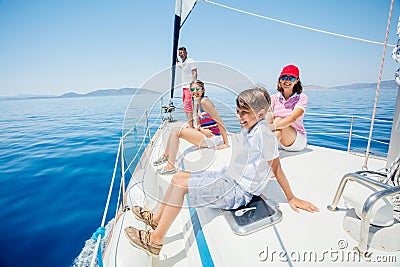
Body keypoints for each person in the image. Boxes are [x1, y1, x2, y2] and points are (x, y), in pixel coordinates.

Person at [124, 86, 319, 256]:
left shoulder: (264, 135)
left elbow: (276, 168)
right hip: (227, 178)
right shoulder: (251, 128)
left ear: (260, 114)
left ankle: (155, 241)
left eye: (244, 113)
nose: (239, 117)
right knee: (179, 176)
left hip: (237, 192)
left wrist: (291, 198)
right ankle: (156, 219)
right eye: (238, 111)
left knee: (181, 185)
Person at [153, 80, 229, 175]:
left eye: (198, 89)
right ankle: (165, 156)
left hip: (212, 138)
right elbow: (199, 124)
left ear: (203, 90)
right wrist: (201, 129)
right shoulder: (196, 102)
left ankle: (170, 167)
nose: (195, 91)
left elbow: (219, 121)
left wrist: (225, 143)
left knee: (175, 131)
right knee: (174, 130)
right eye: (192, 89)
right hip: (204, 134)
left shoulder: (205, 102)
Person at [268, 64, 308, 152]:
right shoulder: (274, 98)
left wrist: (267, 128)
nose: (287, 80)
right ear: (280, 80)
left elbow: (292, 119)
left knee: (278, 119)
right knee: (270, 118)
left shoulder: (301, 98)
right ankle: (266, 155)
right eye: (284, 77)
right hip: (279, 139)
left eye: (292, 78)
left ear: (297, 81)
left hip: (296, 141)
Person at [176, 46, 198, 128]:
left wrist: (193, 85)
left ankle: (191, 126)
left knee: (188, 107)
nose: (181, 54)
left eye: (182, 52)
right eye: (180, 53)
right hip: (184, 88)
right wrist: (176, 60)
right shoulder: (184, 63)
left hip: (189, 87)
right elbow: (180, 65)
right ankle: (190, 124)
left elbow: (195, 73)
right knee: (186, 107)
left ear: (186, 53)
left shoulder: (190, 61)